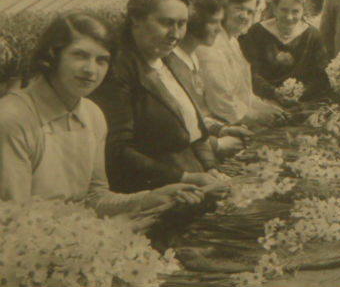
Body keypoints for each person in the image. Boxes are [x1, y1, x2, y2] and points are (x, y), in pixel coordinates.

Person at [0, 13, 204, 216]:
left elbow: (95, 198)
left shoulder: (92, 115)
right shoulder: (13, 118)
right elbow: (14, 218)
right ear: (53, 56)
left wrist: (149, 198)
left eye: (102, 60)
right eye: (79, 55)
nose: (91, 70)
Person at [90, 0, 221, 193]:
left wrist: (211, 167)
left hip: (195, 185)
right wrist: (185, 177)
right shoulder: (118, 70)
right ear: (136, 19)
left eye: (182, 24)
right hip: (153, 193)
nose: (176, 34)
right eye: (166, 23)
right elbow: (118, 151)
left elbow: (197, 132)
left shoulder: (171, 60)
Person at [167, 0, 249, 156]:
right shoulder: (172, 63)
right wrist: (217, 143)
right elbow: (178, 125)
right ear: (195, 22)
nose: (219, 29)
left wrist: (221, 130)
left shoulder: (193, 58)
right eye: (213, 22)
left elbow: (198, 115)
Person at [195, 0, 283, 126]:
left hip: (234, 120)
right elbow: (223, 105)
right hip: (215, 126)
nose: (245, 16)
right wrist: (259, 116)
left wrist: (269, 108)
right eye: (239, 9)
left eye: (250, 12)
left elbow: (244, 94)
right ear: (222, 9)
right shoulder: (209, 46)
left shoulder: (232, 42)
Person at [240, 0, 330, 103]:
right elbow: (248, 72)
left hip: (302, 101)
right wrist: (273, 93)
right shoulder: (257, 32)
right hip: (262, 100)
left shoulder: (313, 36)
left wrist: (299, 93)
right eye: (284, 10)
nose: (289, 17)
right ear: (275, 8)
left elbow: (320, 77)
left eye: (295, 11)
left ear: (303, 11)